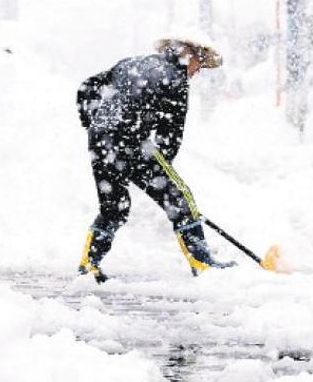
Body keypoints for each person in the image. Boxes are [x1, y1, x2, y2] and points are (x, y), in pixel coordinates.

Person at [76, 38, 234, 282]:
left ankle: (89, 264)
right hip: (131, 142)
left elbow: (87, 87)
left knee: (114, 207)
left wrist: (96, 125)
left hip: (101, 142)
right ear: (188, 54)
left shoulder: (130, 63)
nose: (198, 71)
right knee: (180, 198)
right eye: (199, 64)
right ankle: (202, 263)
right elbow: (169, 137)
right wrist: (155, 171)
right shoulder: (177, 80)